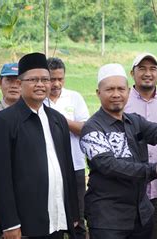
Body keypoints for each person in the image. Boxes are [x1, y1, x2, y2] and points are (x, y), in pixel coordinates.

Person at [80, 63, 157, 239]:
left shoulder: (134, 121)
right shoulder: (92, 128)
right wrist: (153, 170)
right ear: (98, 93)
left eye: (120, 89)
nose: (116, 94)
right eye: (109, 89)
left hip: (140, 214)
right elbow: (109, 165)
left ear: (128, 92)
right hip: (108, 218)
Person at [0, 52, 79, 239]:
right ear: (20, 84)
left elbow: (67, 168)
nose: (40, 84)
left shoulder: (57, 120)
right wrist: (10, 222)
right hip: (25, 223)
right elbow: (0, 177)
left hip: (58, 217)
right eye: (33, 79)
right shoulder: (3, 121)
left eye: (45, 79)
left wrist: (73, 213)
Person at [124, 53, 157, 239]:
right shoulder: (123, 101)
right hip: (130, 184)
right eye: (142, 68)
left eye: (152, 69)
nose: (148, 73)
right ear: (132, 73)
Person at [45, 57, 89, 239]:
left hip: (75, 167)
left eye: (60, 79)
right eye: (52, 79)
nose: (56, 84)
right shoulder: (39, 99)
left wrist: (61, 121)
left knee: (77, 217)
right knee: (52, 215)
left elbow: (85, 129)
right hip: (48, 167)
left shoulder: (74, 97)